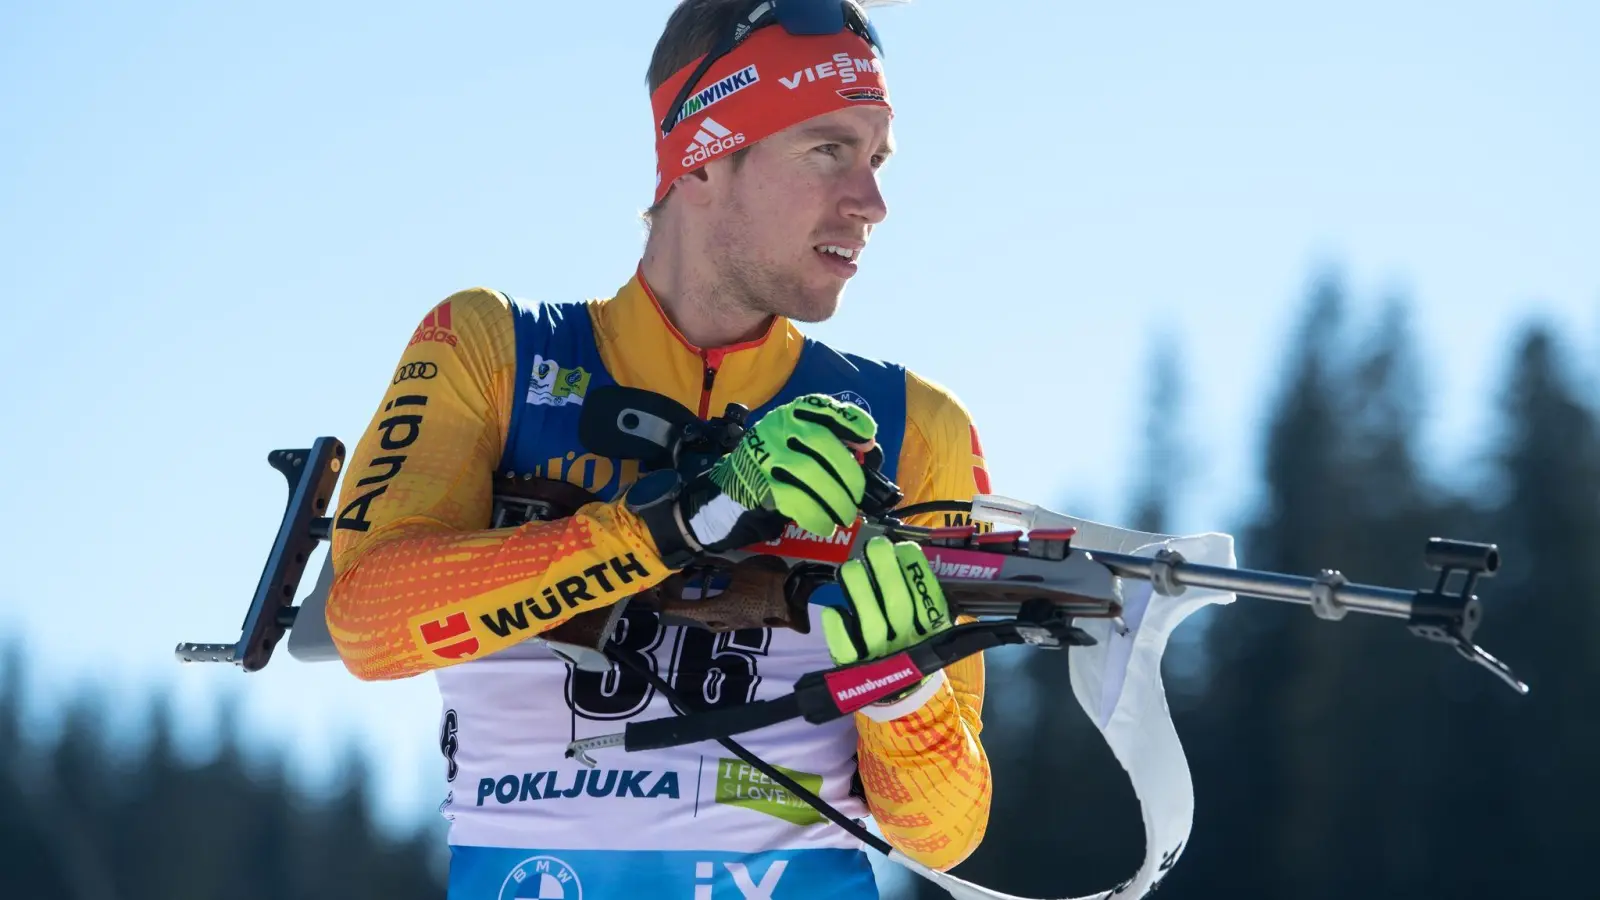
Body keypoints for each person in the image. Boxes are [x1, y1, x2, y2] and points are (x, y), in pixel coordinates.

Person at [324, 1, 994, 897]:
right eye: (829, 149)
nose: (872, 202)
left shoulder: (915, 424)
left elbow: (947, 834)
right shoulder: (493, 351)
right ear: (707, 151)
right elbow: (366, 621)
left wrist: (905, 692)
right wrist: (679, 521)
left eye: (876, 158)